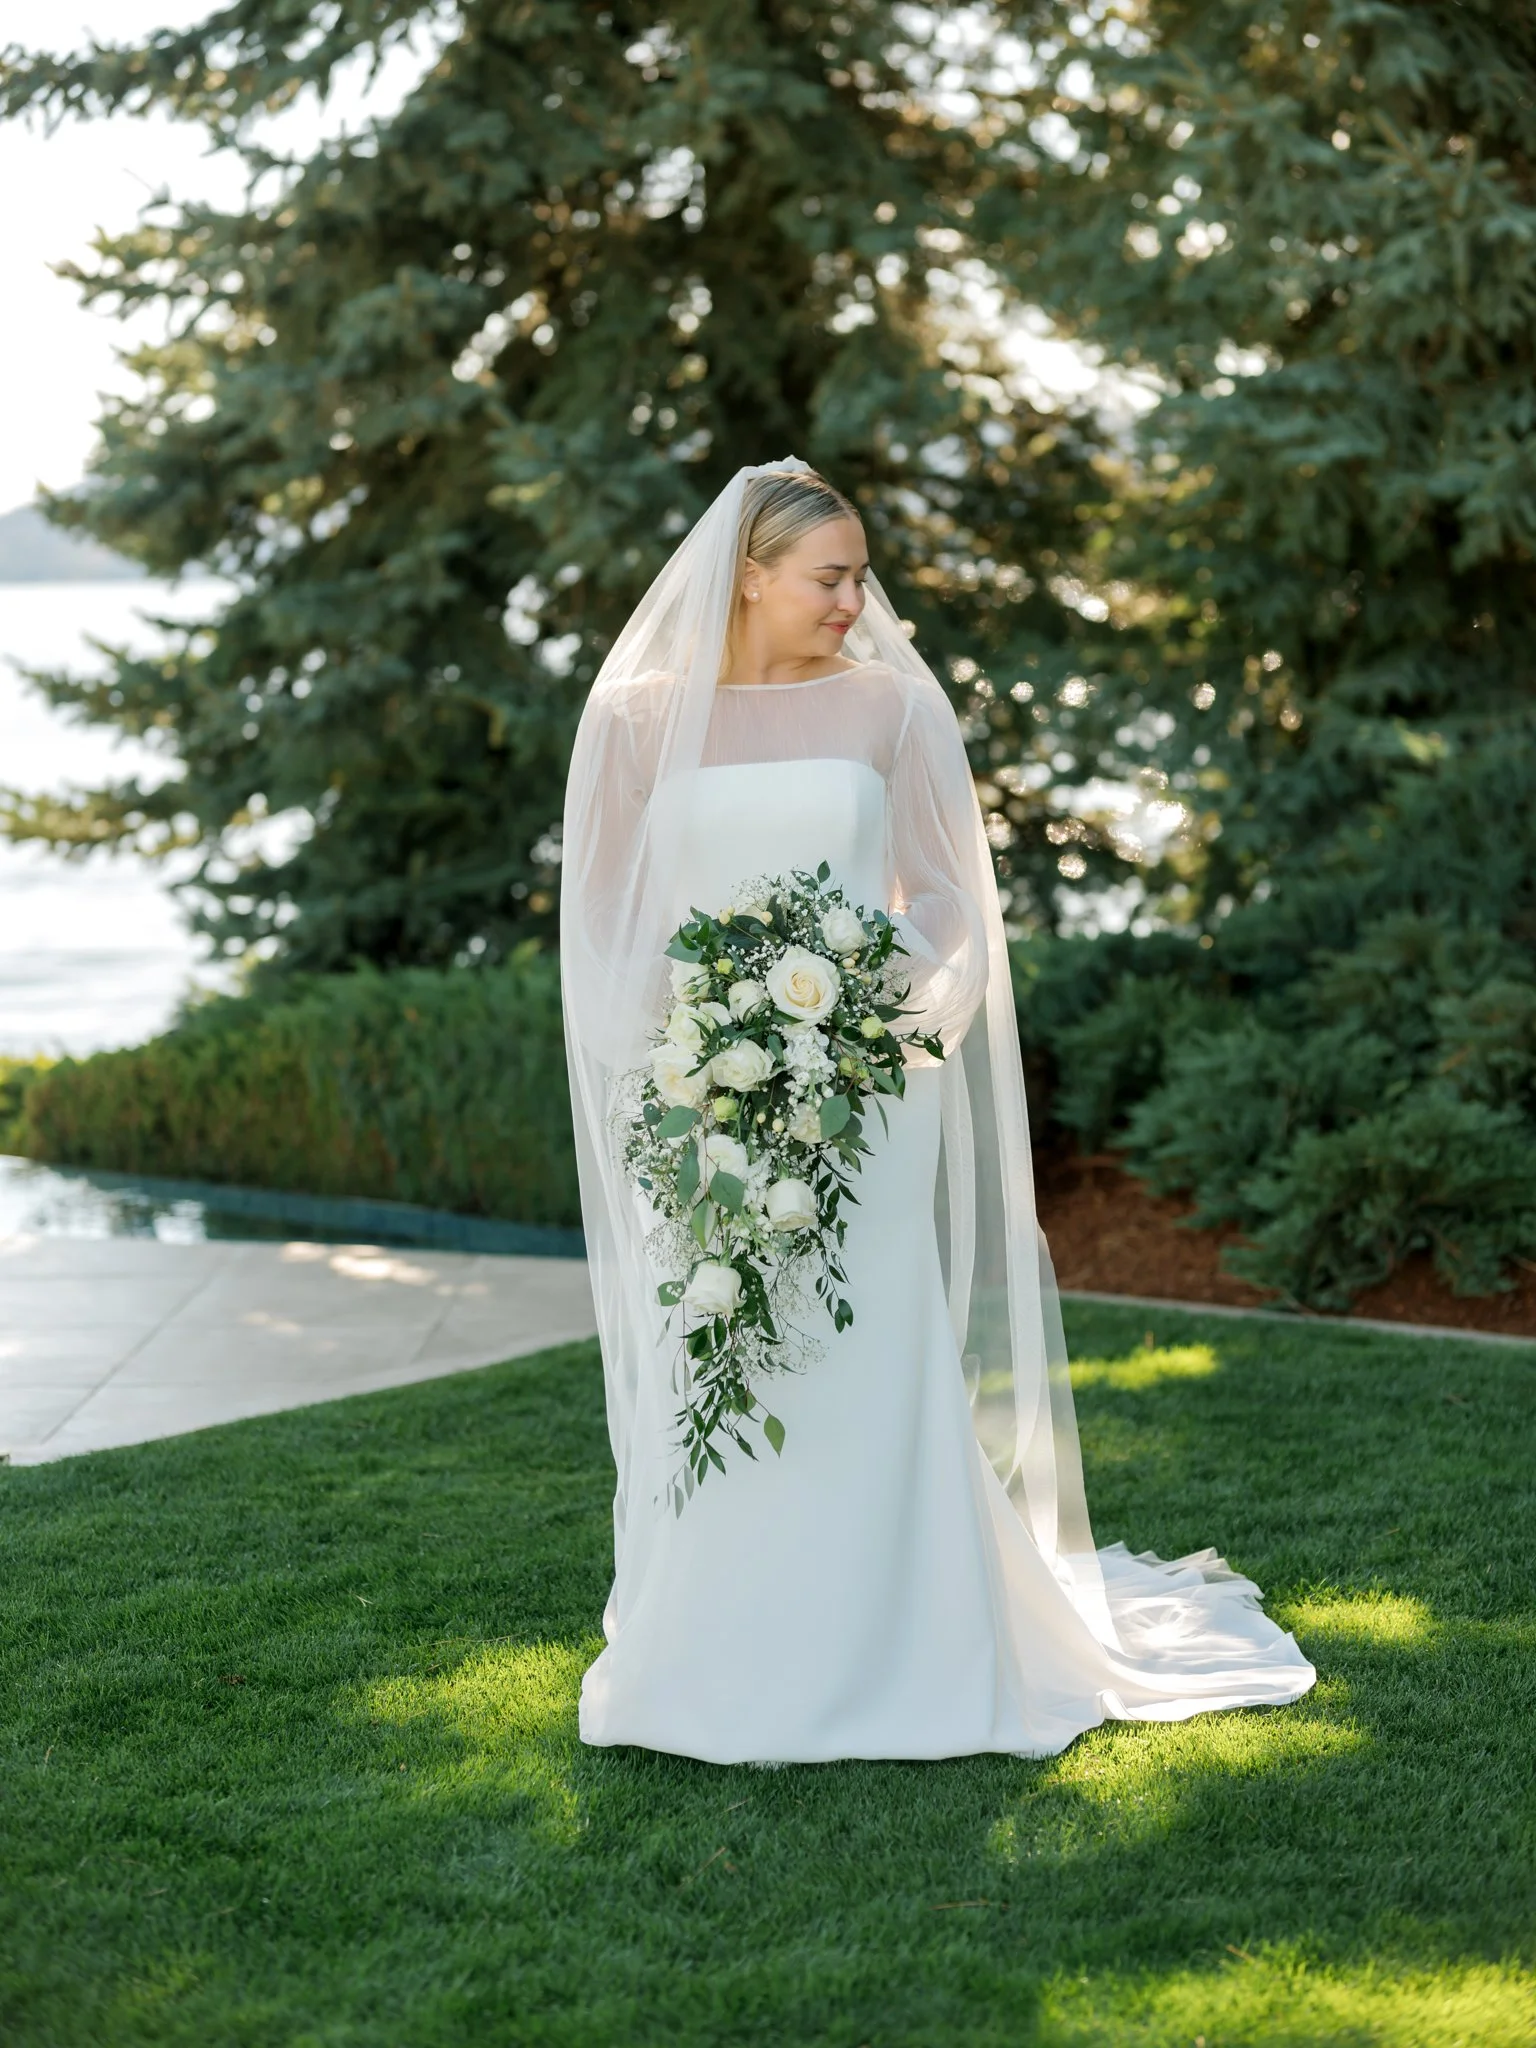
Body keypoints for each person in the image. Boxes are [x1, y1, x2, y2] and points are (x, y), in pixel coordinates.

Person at [559, 457, 1315, 1764]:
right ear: (748, 575)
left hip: (865, 1096)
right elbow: (613, 925)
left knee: (866, 1357)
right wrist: (688, 1041)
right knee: (723, 1350)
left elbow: (948, 901)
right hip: (703, 1104)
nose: (858, 600)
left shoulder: (891, 714)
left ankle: (906, 1640)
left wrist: (871, 993)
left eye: (860, 576)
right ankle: (711, 1652)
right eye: (831, 577)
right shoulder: (633, 720)